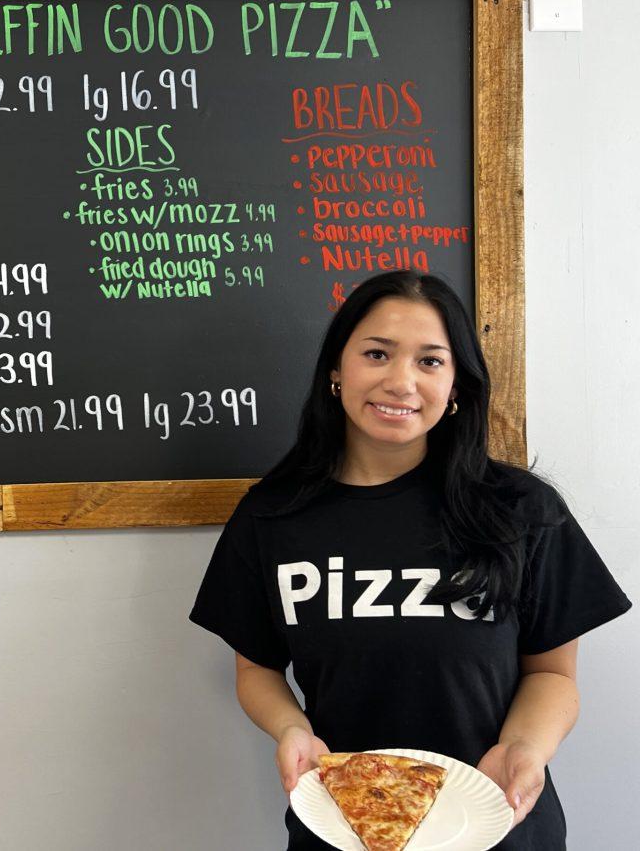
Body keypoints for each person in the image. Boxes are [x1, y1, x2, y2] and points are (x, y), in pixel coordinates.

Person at [188, 270, 631, 849]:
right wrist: (291, 728)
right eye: (377, 353)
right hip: (344, 822)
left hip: (498, 820)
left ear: (456, 387)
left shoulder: (520, 509)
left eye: (430, 361)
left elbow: (551, 673)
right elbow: (256, 669)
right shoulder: (273, 516)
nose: (401, 381)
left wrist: (527, 747)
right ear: (336, 371)